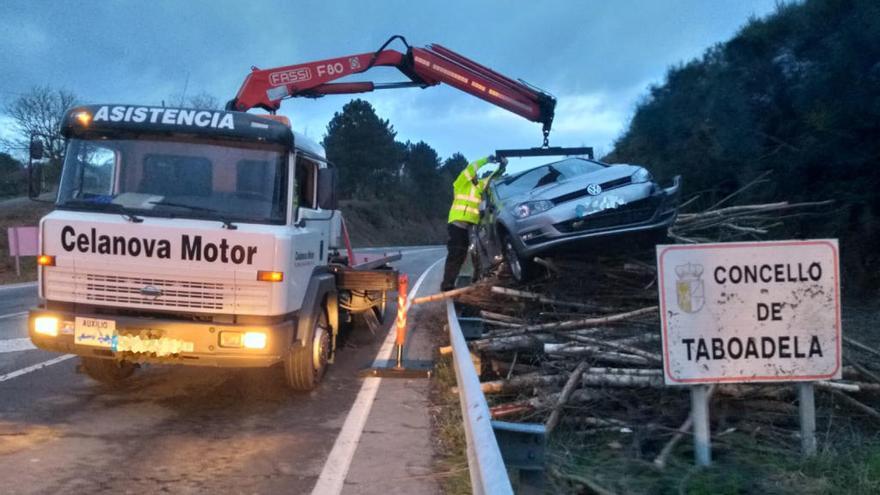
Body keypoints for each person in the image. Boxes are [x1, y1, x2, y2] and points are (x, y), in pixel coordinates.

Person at [441, 154, 507, 291]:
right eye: (474, 174)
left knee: (474, 254)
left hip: (471, 226)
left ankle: (475, 280)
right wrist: (487, 160)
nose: (476, 175)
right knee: (456, 253)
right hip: (457, 224)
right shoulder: (460, 183)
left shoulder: (479, 186)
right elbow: (472, 167)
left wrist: (502, 166)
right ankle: (447, 284)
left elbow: (492, 178)